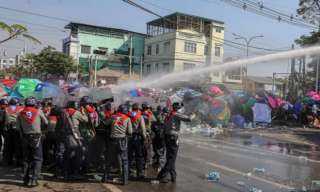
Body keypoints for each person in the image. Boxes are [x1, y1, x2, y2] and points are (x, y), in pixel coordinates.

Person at [157, 102, 194, 183]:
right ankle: (162, 175)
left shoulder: (169, 113)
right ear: (177, 108)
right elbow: (189, 119)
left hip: (167, 136)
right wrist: (194, 114)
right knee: (172, 158)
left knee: (170, 157)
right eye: (179, 107)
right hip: (173, 137)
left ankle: (173, 176)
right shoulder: (175, 114)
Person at [17, 97, 48, 187]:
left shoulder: (20, 113)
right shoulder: (38, 111)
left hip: (25, 137)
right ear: (34, 104)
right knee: (38, 159)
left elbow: (18, 127)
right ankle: (34, 180)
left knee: (26, 159)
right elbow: (46, 122)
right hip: (36, 137)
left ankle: (25, 180)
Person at [103, 104, 132, 185]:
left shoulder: (113, 117)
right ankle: (125, 181)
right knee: (124, 161)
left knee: (108, 160)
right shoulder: (127, 118)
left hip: (112, 141)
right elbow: (130, 132)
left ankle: (105, 178)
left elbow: (105, 123)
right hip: (122, 141)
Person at [61, 100, 88, 180]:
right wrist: (83, 112)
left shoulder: (63, 112)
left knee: (67, 154)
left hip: (65, 134)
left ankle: (65, 172)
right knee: (78, 153)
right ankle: (74, 172)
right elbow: (85, 120)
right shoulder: (76, 112)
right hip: (74, 134)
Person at [79, 96, 99, 172]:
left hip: (81, 133)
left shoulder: (79, 111)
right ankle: (87, 167)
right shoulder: (94, 112)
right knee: (89, 151)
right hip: (91, 134)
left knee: (82, 151)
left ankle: (82, 167)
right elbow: (96, 124)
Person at [128, 103, 146, 179]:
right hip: (137, 137)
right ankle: (140, 173)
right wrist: (144, 137)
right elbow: (143, 128)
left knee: (130, 155)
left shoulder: (128, 115)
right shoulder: (140, 116)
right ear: (138, 109)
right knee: (139, 155)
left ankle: (130, 172)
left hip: (129, 137)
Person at [3, 97, 23, 166]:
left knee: (8, 146)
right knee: (18, 145)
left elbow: (3, 120)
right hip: (17, 129)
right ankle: (18, 161)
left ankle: (7, 161)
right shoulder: (21, 108)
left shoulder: (6, 109)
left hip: (8, 129)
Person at [151, 106, 167, 171]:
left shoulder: (156, 123)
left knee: (159, 153)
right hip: (159, 140)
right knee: (160, 154)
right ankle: (160, 167)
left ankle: (159, 165)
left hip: (159, 140)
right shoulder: (163, 124)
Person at [141, 102, 155, 167]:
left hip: (141, 132)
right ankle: (147, 162)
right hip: (148, 132)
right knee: (148, 148)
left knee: (142, 148)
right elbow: (155, 120)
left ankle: (143, 161)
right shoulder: (149, 114)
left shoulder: (140, 113)